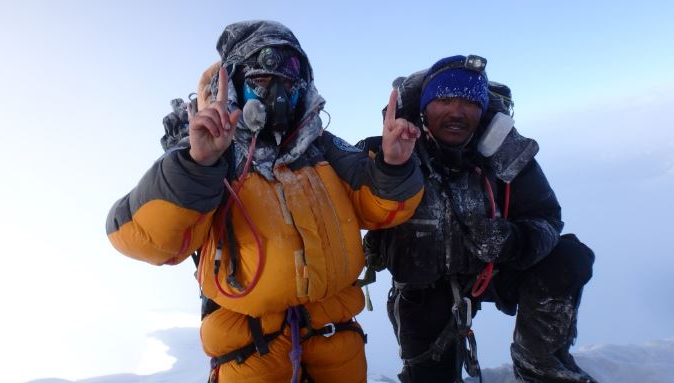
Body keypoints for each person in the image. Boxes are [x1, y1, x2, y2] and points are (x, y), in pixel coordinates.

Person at [105, 20, 423, 383]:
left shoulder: (323, 146)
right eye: (261, 81)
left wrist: (394, 166)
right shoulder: (206, 151)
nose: (279, 95)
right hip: (249, 351)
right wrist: (197, 167)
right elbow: (141, 238)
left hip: (336, 340)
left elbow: (381, 207)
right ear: (237, 85)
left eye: (288, 82)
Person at [358, 55, 597, 383]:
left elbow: (547, 219)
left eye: (470, 101)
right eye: (444, 99)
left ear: (483, 109)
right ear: (424, 107)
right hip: (422, 285)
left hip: (493, 269)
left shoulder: (505, 153)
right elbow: (338, 206)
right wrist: (388, 167)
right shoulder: (383, 151)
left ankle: (539, 364)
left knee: (568, 258)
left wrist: (515, 240)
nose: (457, 111)